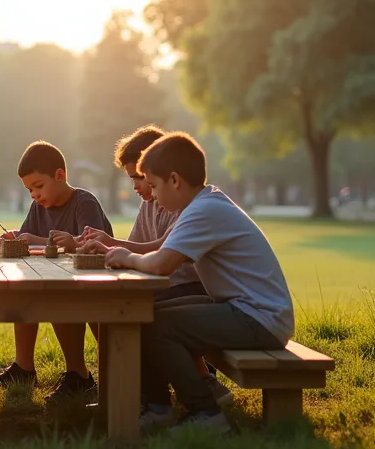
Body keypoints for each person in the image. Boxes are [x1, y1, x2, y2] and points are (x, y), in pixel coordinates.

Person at [102, 132, 295, 433]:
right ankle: (157, 406)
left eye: (153, 185)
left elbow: (161, 264)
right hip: (245, 309)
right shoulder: (204, 204)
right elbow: (161, 255)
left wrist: (125, 257)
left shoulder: (203, 211)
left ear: (175, 180)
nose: (151, 194)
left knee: (157, 325)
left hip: (259, 317)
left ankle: (205, 414)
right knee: (148, 316)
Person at [80, 125, 232, 417]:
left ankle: (170, 394)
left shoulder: (190, 205)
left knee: (138, 313)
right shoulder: (160, 202)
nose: (138, 186)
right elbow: (141, 248)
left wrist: (117, 249)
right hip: (167, 284)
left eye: (141, 177)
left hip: (188, 286)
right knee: (118, 310)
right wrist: (112, 248)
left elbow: (161, 254)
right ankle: (140, 395)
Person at [0, 141, 113, 404]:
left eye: (38, 186)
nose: (34, 195)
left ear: (60, 176)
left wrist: (37, 240)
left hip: (95, 283)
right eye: (29, 190)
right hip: (59, 280)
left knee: (60, 298)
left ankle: (87, 374)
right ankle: (24, 367)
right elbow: (28, 237)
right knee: (25, 288)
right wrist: (13, 238)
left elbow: (92, 242)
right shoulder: (38, 208)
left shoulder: (83, 202)